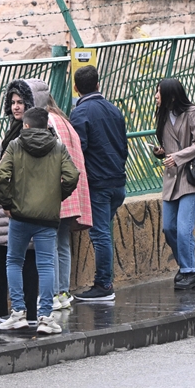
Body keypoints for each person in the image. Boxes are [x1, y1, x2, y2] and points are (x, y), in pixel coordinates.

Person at [0, 107, 79, 334]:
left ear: (26, 125)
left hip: (20, 215)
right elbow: (73, 175)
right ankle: (45, 317)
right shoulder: (58, 147)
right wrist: (56, 197)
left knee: (14, 261)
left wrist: (7, 203)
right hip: (47, 218)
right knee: (46, 265)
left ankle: (19, 313)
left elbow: (2, 175)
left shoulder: (15, 146)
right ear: (46, 125)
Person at [0, 79, 42, 321]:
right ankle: (20, 310)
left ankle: (14, 310)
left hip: (13, 205)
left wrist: (0, 169)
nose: (15, 107)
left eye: (20, 102)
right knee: (11, 256)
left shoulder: (27, 132)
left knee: (15, 257)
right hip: (15, 206)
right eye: (12, 102)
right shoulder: (15, 129)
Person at [69, 65, 129, 302]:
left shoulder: (80, 113)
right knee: (105, 231)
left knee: (100, 234)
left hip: (98, 183)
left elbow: (78, 151)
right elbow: (123, 145)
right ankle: (104, 282)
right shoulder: (114, 110)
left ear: (76, 88)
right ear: (98, 84)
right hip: (118, 181)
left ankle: (104, 285)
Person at [152, 79, 195, 290]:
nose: (156, 96)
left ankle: (188, 272)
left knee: (184, 229)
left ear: (172, 95)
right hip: (171, 178)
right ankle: (184, 265)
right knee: (168, 228)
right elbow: (168, 146)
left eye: (159, 92)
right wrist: (161, 153)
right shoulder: (164, 115)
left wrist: (177, 156)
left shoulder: (193, 113)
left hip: (190, 177)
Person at [41, 93, 92, 312]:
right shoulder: (64, 121)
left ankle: (52, 294)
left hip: (56, 192)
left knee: (50, 244)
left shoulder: (47, 122)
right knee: (63, 244)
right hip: (72, 192)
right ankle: (64, 292)